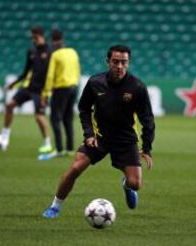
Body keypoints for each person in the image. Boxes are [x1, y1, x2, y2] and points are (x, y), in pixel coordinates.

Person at [42, 45, 155, 218]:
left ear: (128, 63)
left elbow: (147, 118)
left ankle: (126, 185)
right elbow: (84, 108)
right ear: (108, 62)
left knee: (136, 184)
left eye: (123, 62)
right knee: (74, 169)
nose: (119, 66)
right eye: (115, 62)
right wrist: (89, 134)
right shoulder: (95, 83)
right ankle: (55, 207)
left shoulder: (137, 87)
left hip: (125, 140)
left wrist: (146, 147)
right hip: (99, 137)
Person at [0, 26, 52, 153]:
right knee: (9, 105)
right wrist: (13, 84)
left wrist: (48, 93)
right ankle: (5, 138)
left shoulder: (50, 51)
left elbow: (53, 73)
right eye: (32, 37)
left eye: (35, 37)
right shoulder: (31, 51)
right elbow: (25, 71)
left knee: (39, 116)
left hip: (41, 90)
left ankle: (47, 143)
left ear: (41, 35)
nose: (33, 40)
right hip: (29, 87)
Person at [38, 29, 81, 160]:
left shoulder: (55, 55)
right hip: (73, 87)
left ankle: (59, 149)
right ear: (63, 39)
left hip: (61, 88)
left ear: (52, 41)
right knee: (68, 118)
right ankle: (70, 149)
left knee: (55, 119)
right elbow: (78, 70)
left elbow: (50, 76)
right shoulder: (73, 52)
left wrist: (45, 94)